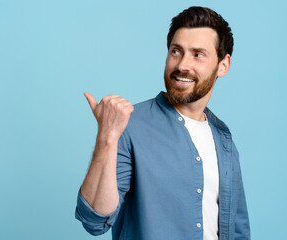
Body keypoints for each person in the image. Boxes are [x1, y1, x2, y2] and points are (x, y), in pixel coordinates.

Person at [75, 6, 250, 240]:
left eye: (198, 54)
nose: (182, 65)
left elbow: (237, 228)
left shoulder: (223, 138)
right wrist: (107, 137)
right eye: (176, 51)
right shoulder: (129, 126)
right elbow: (94, 221)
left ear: (223, 65)